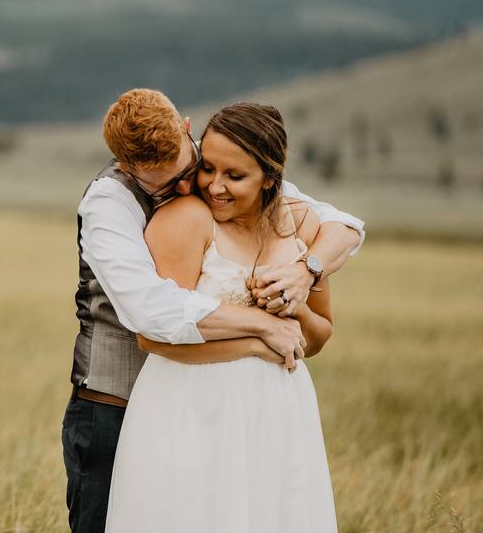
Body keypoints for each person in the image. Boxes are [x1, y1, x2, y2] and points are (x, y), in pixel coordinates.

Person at [62, 89, 363, 533]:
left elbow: (341, 224)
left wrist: (305, 272)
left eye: (189, 170)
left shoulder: (220, 163)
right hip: (117, 403)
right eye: (163, 185)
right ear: (128, 166)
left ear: (187, 130)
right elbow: (152, 315)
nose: (190, 188)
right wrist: (263, 329)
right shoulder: (109, 203)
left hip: (247, 414)